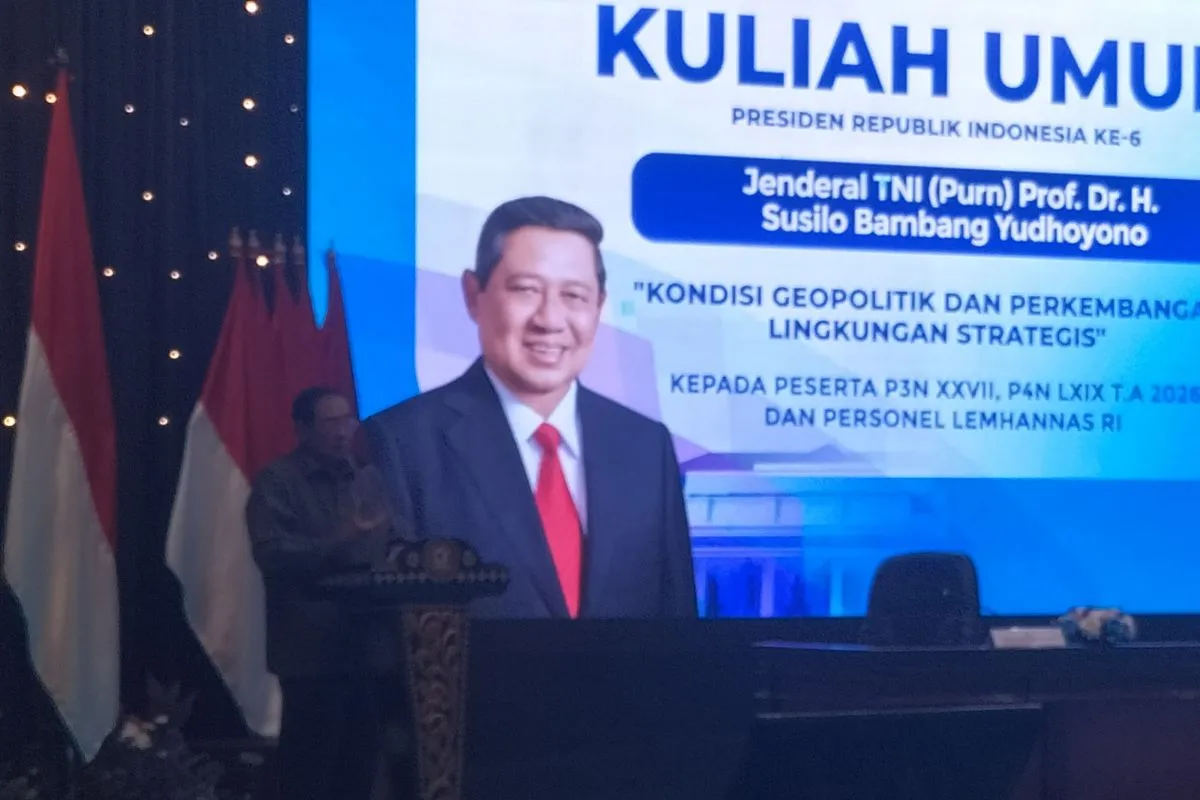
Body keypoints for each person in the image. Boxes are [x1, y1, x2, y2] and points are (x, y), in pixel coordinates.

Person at [367, 195, 697, 619]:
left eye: (574, 295)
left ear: (599, 306)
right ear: (473, 294)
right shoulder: (403, 444)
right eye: (526, 290)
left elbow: (676, 622)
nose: (550, 320)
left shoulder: (645, 446)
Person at [245, 387, 401, 800]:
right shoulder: (279, 480)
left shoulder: (367, 477)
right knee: (310, 771)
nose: (343, 431)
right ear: (302, 429)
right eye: (330, 422)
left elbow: (388, 543)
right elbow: (272, 554)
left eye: (347, 420)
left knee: (360, 767)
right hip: (311, 652)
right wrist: (341, 538)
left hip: (367, 645)